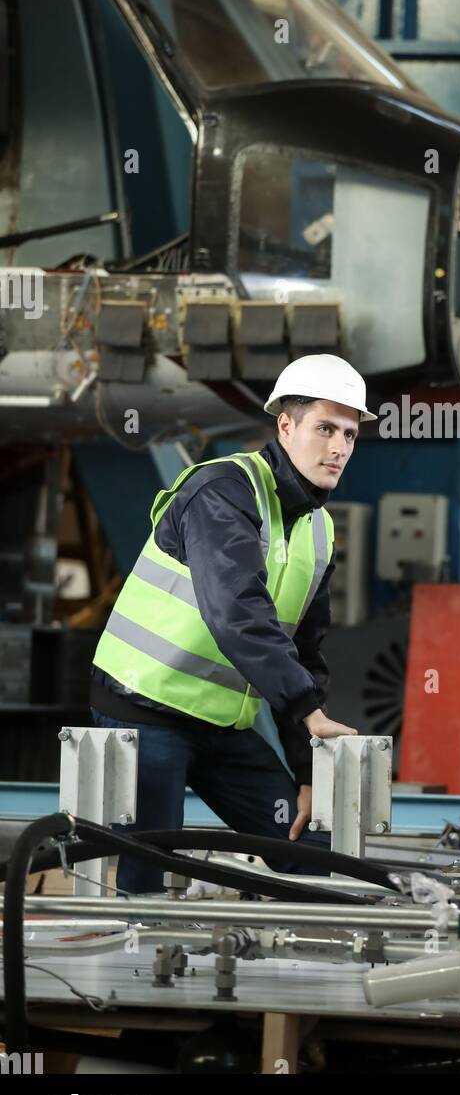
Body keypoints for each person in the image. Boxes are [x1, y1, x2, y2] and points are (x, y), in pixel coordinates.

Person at [89, 353, 376, 893]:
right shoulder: (222, 491)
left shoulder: (319, 529)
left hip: (220, 725)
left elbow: (306, 650)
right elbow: (235, 610)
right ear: (285, 426)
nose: (339, 448)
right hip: (145, 707)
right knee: (148, 871)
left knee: (307, 849)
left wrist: (306, 769)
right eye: (325, 429)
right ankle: (133, 970)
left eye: (350, 434)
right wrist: (308, 713)